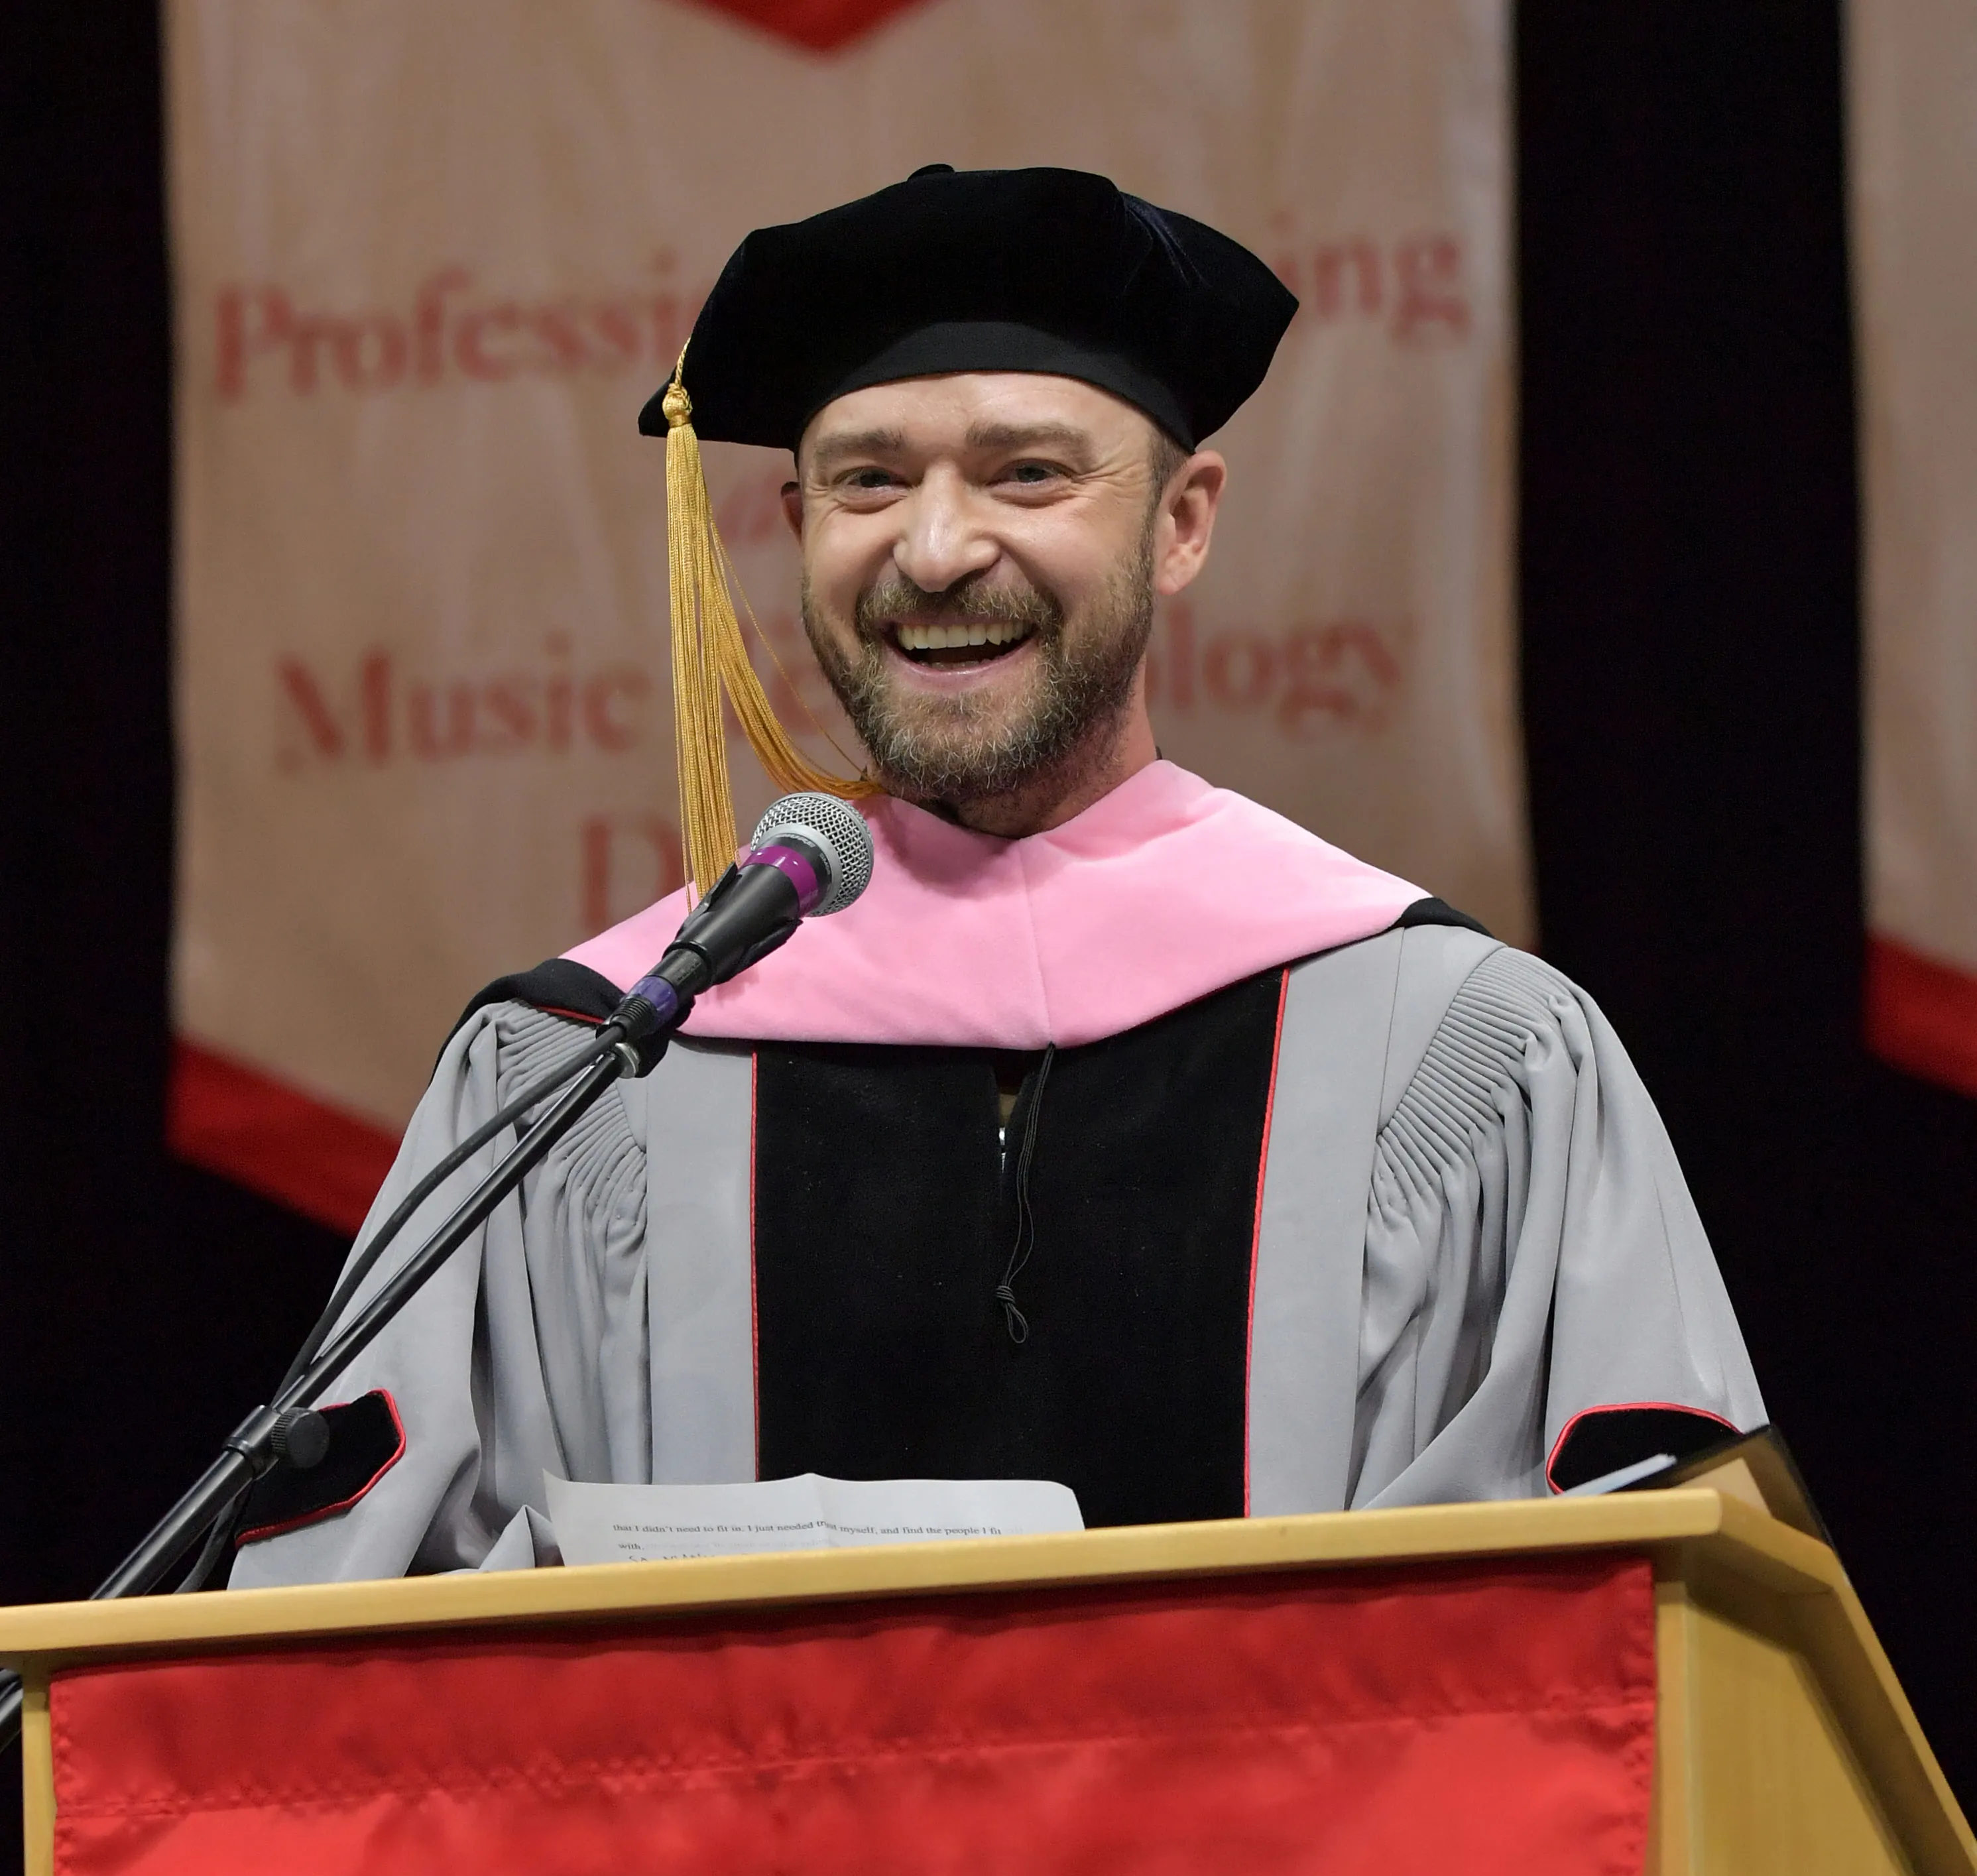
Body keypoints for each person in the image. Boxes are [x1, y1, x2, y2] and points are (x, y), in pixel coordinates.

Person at [229, 164, 1760, 1584]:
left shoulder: (1459, 1048)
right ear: (795, 525)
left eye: (1027, 474)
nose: (939, 549)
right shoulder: (587, 1071)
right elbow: (351, 1654)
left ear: (1182, 524)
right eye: (869, 484)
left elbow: (1652, 1628)